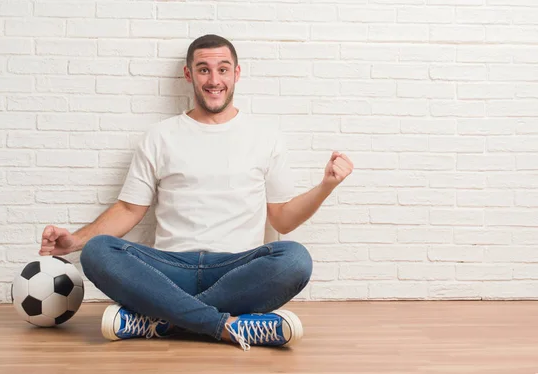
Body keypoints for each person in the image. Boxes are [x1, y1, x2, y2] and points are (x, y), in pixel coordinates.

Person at [39, 34, 354, 351]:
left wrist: (326, 185)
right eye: (203, 69)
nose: (214, 80)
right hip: (168, 270)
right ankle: (224, 326)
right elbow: (128, 209)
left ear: (237, 73)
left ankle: (159, 321)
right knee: (97, 251)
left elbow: (283, 220)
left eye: (223, 69)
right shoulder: (160, 136)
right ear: (188, 74)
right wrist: (75, 242)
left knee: (295, 259)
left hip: (236, 270)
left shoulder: (266, 137)